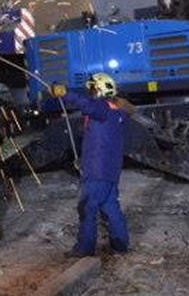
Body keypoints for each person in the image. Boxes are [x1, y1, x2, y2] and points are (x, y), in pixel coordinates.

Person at [62, 72, 130, 258]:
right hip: (110, 170)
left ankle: (85, 248)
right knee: (110, 206)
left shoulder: (102, 110)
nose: (90, 92)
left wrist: (65, 93)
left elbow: (85, 104)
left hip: (97, 171)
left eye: (92, 89)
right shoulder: (117, 113)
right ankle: (120, 245)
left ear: (100, 90)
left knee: (87, 207)